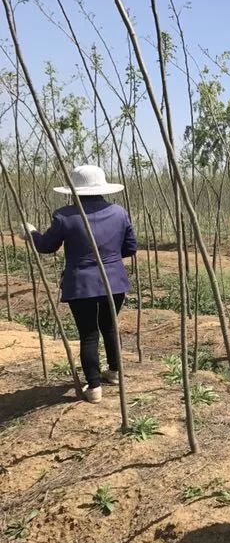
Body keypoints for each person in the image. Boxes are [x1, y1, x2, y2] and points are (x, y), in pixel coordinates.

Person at [19, 165, 137, 404]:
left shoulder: (64, 216)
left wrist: (31, 233)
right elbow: (130, 247)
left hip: (81, 285)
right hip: (114, 282)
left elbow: (47, 246)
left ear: (74, 191)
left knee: (89, 334)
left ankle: (94, 387)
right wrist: (109, 259)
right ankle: (114, 373)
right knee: (110, 327)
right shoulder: (119, 212)